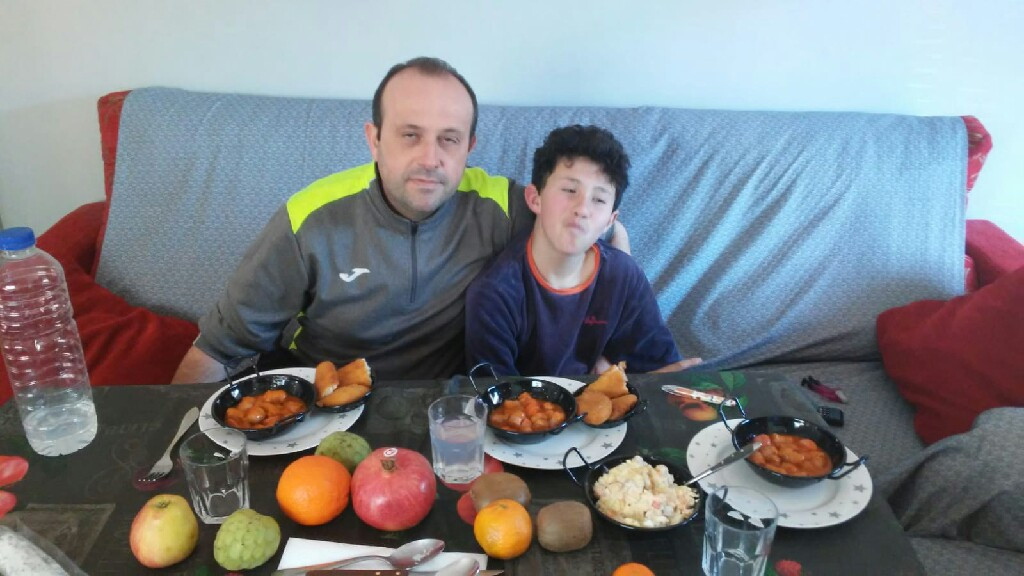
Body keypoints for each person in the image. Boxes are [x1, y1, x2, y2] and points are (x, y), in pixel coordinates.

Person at [171, 57, 626, 384]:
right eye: (410, 135)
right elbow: (216, 350)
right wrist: (174, 453)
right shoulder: (309, 219)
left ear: (469, 147)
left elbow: (591, 234)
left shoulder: (504, 206)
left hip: (445, 409)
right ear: (374, 140)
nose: (430, 158)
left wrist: (604, 348)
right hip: (320, 404)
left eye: (449, 139)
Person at [464, 124, 698, 377]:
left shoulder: (623, 277)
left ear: (610, 220)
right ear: (534, 199)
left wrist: (618, 381)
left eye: (599, 199)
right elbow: (495, 392)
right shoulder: (496, 293)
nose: (582, 209)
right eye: (569, 190)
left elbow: (663, 373)